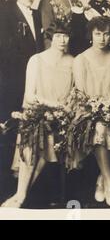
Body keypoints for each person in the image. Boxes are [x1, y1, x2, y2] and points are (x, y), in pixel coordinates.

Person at [1, 22, 74, 208]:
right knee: (38, 132)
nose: (62, 40)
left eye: (65, 36)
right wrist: (52, 105)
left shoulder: (73, 62)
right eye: (57, 36)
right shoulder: (37, 60)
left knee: (48, 134)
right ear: (50, 37)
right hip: (39, 111)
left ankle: (20, 195)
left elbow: (75, 93)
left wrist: (63, 109)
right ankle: (21, 194)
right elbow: (29, 95)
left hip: (62, 116)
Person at [71, 16, 110, 208]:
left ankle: (101, 179)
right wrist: (97, 109)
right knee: (100, 129)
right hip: (87, 113)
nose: (102, 38)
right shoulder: (81, 59)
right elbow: (81, 94)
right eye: (97, 34)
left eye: (106, 34)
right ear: (90, 35)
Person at [0, 0, 44, 125]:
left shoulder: (37, 15)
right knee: (14, 117)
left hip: (35, 73)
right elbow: (5, 48)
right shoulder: (6, 14)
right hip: (14, 73)